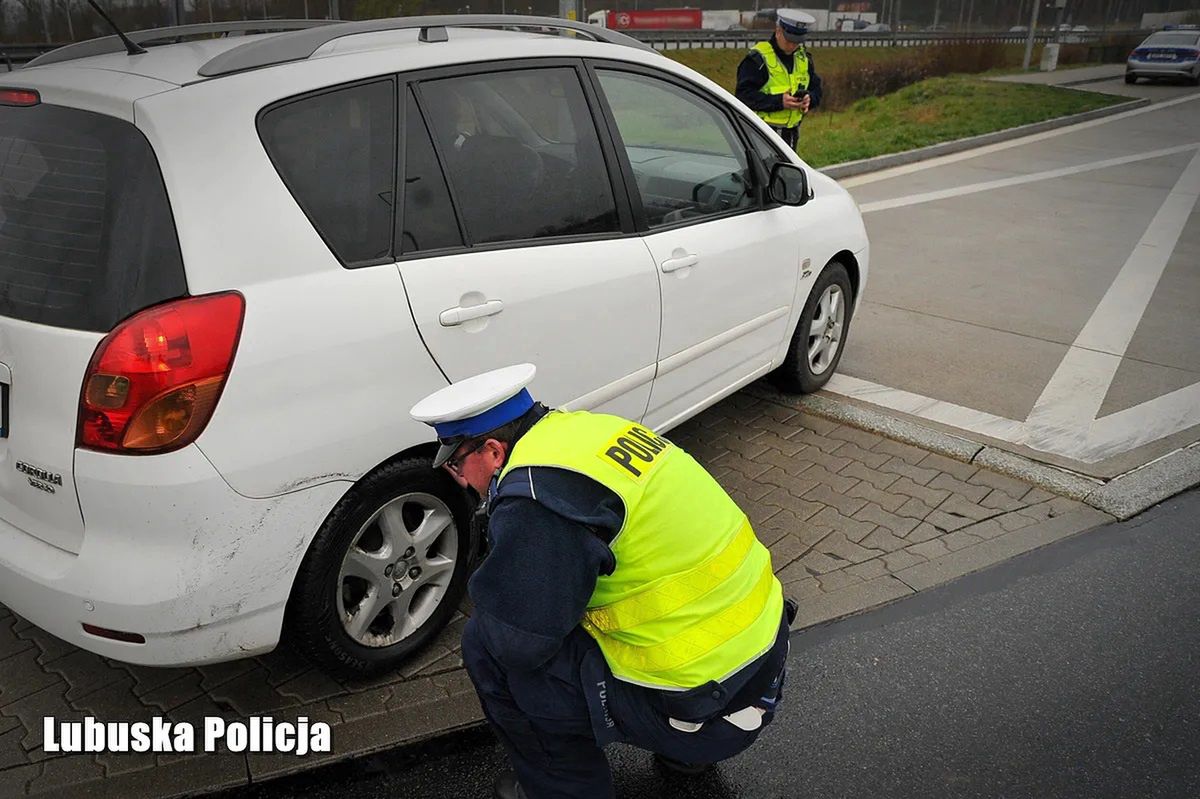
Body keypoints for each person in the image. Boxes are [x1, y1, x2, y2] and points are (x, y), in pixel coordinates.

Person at [410, 364, 796, 799]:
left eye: (459, 465)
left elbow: (518, 642)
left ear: (494, 452)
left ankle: (560, 786)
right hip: (761, 667)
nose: (461, 479)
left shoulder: (538, 495)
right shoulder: (591, 431)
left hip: (706, 707)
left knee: (488, 646)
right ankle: (688, 753)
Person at [735, 9, 823, 151]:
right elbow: (743, 96)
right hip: (761, 134)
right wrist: (779, 102)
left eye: (798, 41)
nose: (793, 45)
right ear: (778, 31)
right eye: (790, 40)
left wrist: (809, 99)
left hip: (791, 134)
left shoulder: (803, 59)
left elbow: (817, 89)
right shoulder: (758, 59)